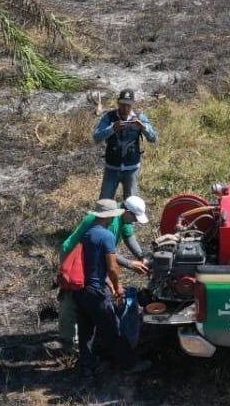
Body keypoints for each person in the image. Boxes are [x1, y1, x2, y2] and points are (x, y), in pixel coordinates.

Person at [56, 196, 150, 351]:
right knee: (71, 295)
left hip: (91, 256)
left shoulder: (122, 218)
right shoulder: (110, 223)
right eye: (134, 217)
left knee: (84, 297)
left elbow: (129, 237)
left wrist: (142, 257)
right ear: (126, 211)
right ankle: (67, 340)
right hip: (73, 255)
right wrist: (129, 265)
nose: (134, 221)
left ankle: (84, 338)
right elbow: (108, 254)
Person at [74, 199, 151, 375]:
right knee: (113, 329)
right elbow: (112, 266)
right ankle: (129, 365)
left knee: (86, 329)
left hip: (80, 289)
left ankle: (87, 366)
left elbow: (92, 264)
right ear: (110, 216)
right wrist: (118, 287)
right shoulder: (106, 236)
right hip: (96, 291)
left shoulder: (88, 233)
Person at [92, 89, 158, 201]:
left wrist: (143, 128)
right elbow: (96, 137)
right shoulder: (109, 117)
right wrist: (112, 129)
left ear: (132, 104)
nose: (125, 108)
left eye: (128, 105)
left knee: (131, 204)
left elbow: (153, 138)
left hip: (132, 169)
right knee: (105, 202)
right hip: (111, 168)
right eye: (122, 104)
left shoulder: (140, 117)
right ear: (118, 103)